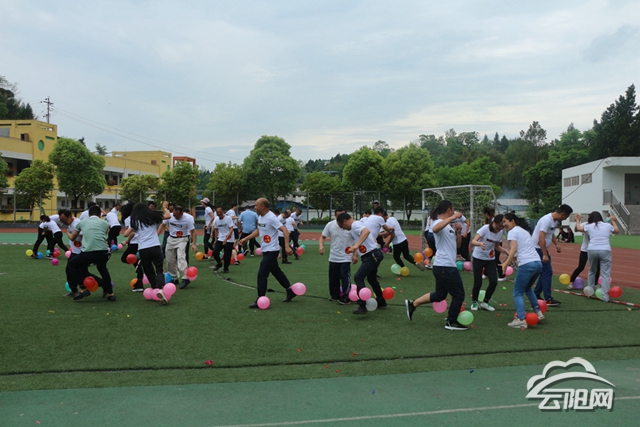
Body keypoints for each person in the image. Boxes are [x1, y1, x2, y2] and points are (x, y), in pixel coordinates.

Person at [405, 200, 467, 330]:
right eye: (453, 210)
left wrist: (458, 232)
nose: (454, 212)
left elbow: (457, 245)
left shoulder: (448, 226)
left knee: (440, 295)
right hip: (445, 266)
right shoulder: (438, 222)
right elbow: (434, 229)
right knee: (459, 294)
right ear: (449, 210)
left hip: (443, 266)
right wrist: (452, 218)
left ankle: (413, 304)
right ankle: (451, 321)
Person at [238, 198, 296, 308]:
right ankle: (290, 291)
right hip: (266, 250)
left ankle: (260, 298)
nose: (255, 207)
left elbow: (285, 231)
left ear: (262, 206)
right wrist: (246, 238)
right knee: (276, 272)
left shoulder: (271, 218)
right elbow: (258, 230)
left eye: (256, 205)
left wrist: (287, 246)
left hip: (272, 250)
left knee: (262, 274)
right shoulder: (261, 217)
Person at [500, 213, 545, 328]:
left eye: (505, 221)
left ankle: (521, 319)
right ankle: (538, 312)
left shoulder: (512, 232)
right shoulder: (524, 231)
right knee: (527, 288)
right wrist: (514, 258)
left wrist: (506, 263)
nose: (504, 224)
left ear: (512, 221)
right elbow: (522, 249)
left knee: (517, 292)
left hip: (527, 264)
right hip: (537, 263)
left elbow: (514, 248)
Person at [337, 212, 385, 315]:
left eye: (342, 226)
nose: (343, 228)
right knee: (371, 279)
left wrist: (355, 246)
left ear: (345, 221)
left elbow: (366, 231)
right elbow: (365, 239)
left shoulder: (355, 225)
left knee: (358, 277)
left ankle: (362, 305)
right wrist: (356, 254)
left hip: (371, 256)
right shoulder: (356, 226)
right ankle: (381, 301)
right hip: (372, 255)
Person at [67, 205, 116, 301]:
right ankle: (111, 294)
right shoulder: (105, 223)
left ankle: (83, 288)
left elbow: (72, 237)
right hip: (103, 252)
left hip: (88, 252)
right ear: (100, 215)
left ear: (89, 214)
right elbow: (103, 234)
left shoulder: (82, 222)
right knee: (103, 270)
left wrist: (68, 233)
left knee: (72, 264)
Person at [125, 201, 172, 303]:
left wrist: (132, 229)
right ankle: (160, 289)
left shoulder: (135, 221)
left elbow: (125, 234)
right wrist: (165, 208)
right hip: (155, 247)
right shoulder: (152, 217)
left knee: (149, 271)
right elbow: (168, 216)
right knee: (159, 269)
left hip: (143, 249)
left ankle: (155, 289)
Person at [532, 204, 573, 306]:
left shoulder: (554, 221)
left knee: (544, 272)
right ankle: (548, 298)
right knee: (547, 272)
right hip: (537, 248)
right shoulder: (546, 220)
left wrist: (556, 244)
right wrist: (545, 254)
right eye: (566, 217)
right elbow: (541, 238)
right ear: (562, 214)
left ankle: (536, 295)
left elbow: (551, 234)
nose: (565, 219)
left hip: (541, 249)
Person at [319, 207, 356, 304]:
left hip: (346, 257)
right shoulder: (330, 225)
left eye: (343, 215)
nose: (341, 218)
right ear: (335, 216)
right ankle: (334, 295)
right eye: (339, 215)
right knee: (333, 277)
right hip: (333, 256)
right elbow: (322, 237)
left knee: (345, 277)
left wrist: (355, 255)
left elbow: (358, 241)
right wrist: (321, 246)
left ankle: (345, 297)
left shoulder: (351, 227)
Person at [469, 215, 506, 311]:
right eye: (499, 226)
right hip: (478, 258)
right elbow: (473, 241)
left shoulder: (500, 232)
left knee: (494, 281)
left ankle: (485, 302)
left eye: (502, 227)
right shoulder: (485, 229)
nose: (500, 228)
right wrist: (479, 244)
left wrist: (506, 251)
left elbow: (497, 246)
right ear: (494, 223)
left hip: (490, 259)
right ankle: (474, 302)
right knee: (478, 282)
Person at [580, 212, 619, 301]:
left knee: (592, 270)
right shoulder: (607, 225)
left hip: (592, 249)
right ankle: (605, 296)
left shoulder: (589, 226)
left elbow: (578, 228)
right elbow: (616, 231)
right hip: (605, 249)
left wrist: (578, 220)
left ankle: (590, 292)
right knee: (605, 273)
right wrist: (613, 221)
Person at [159, 205, 197, 289]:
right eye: (174, 214)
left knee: (181, 258)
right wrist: (156, 235)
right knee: (169, 259)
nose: (175, 217)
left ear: (181, 213)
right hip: (171, 239)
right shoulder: (170, 216)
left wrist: (194, 244)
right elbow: (162, 225)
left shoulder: (188, 218)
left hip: (182, 239)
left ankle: (185, 278)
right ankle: (174, 278)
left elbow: (193, 232)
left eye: (177, 215)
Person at [568, 213, 600, 289]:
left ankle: (595, 284)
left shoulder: (598, 226)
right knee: (581, 267)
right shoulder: (585, 224)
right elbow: (576, 229)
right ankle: (571, 281)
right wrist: (577, 221)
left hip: (595, 249)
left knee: (597, 268)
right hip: (585, 249)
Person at [120, 202, 145, 292]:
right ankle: (139, 284)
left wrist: (126, 241)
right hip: (140, 242)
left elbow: (132, 232)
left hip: (134, 243)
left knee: (124, 258)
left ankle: (138, 264)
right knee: (136, 263)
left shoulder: (128, 219)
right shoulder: (139, 218)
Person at [483, 206, 506, 281]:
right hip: (490, 243)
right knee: (489, 258)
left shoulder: (494, 221)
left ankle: (502, 275)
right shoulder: (488, 221)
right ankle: (486, 273)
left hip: (496, 243)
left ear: (486, 214)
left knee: (495, 259)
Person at [211, 206, 234, 273]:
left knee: (227, 255)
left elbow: (231, 229)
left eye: (220, 212)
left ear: (223, 211)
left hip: (229, 239)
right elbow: (216, 230)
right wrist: (215, 240)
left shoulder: (228, 218)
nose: (219, 213)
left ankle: (226, 268)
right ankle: (219, 263)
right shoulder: (216, 219)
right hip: (220, 238)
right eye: (217, 212)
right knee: (215, 252)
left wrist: (226, 239)